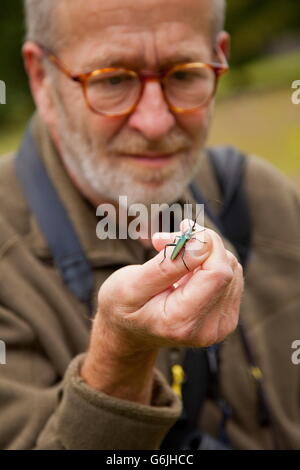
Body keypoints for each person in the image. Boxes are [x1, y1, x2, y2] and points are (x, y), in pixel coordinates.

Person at [0, 0, 299, 450]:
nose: (156, 122)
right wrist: (120, 355)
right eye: (114, 80)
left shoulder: (268, 200)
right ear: (41, 77)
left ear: (219, 56)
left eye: (183, 74)